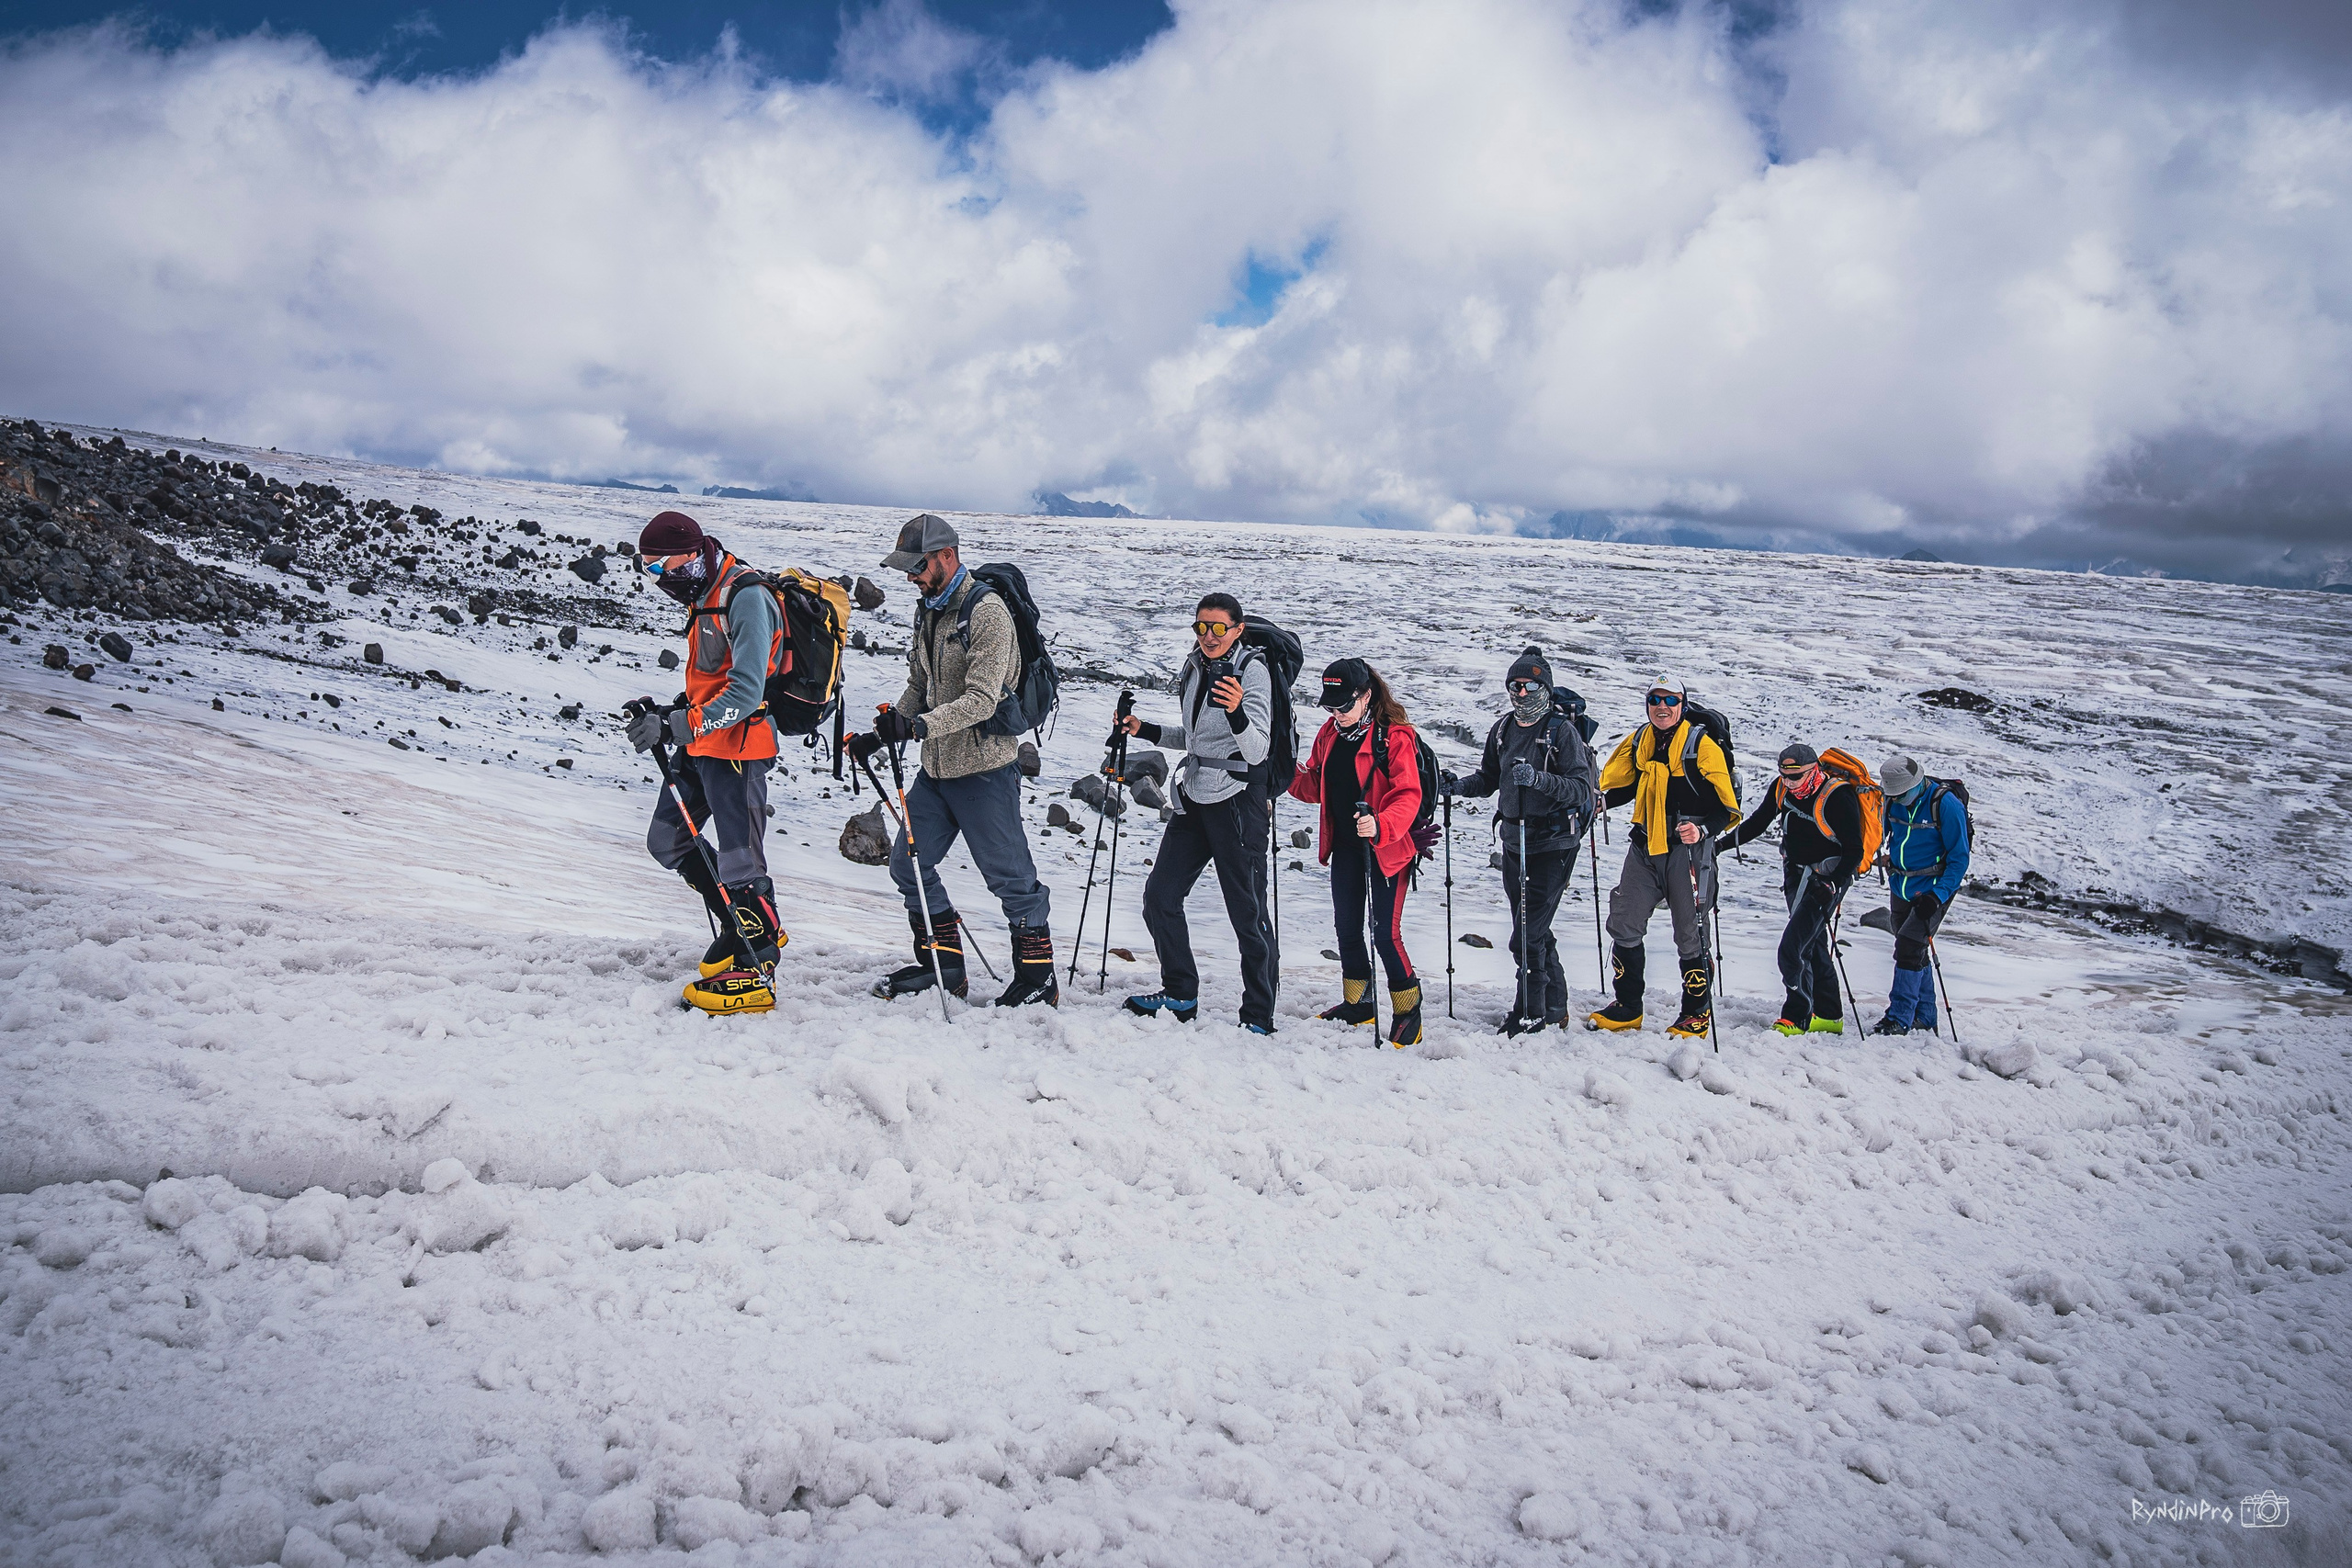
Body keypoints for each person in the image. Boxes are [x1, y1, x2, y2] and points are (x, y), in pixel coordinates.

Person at [849, 513, 1056, 1008]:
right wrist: (881, 734)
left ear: (947, 556)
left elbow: (983, 700)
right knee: (907, 866)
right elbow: (920, 687)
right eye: (907, 568)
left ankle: (1038, 979)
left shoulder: (986, 614)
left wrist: (916, 727)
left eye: (917, 566)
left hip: (985, 772)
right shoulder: (929, 611)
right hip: (936, 773)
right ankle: (944, 968)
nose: (910, 577)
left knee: (1010, 878)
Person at [624, 510, 787, 1015]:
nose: (657, 581)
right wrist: (668, 711)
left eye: (660, 568)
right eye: (649, 571)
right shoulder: (703, 594)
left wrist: (678, 725)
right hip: (700, 746)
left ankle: (757, 966)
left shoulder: (746, 597)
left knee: (742, 862)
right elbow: (710, 683)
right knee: (667, 840)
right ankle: (743, 926)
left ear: (690, 555)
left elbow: (746, 692)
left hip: (738, 752)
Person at [1114, 593, 1280, 1033]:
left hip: (1237, 801)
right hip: (1194, 798)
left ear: (1237, 630)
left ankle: (1259, 1015)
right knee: (1160, 898)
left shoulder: (1254, 672)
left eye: (1218, 628)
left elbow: (1258, 750)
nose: (1209, 636)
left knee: (1247, 912)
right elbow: (1193, 739)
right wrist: (1143, 729)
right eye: (1201, 627)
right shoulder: (1195, 667)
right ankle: (1181, 993)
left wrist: (1237, 710)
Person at [1442, 647, 1597, 1034]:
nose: (1521, 692)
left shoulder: (1561, 732)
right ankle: (1555, 1006)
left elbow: (1581, 788)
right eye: (1514, 685)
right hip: (1515, 842)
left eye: (1528, 685)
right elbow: (1489, 778)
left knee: (1525, 935)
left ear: (1544, 686)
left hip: (1553, 844)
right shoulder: (1503, 729)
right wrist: (1457, 787)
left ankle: (1529, 1013)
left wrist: (1538, 780)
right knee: (1534, 928)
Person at [1586, 676, 1738, 1039]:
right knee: (1624, 921)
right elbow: (1630, 784)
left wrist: (1702, 831)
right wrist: (1603, 801)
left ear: (1682, 705)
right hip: (1644, 845)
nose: (1662, 706)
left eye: (1670, 700)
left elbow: (1725, 804)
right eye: (1655, 699)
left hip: (1688, 850)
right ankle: (1627, 1008)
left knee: (1690, 932)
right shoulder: (1641, 741)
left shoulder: (1701, 746)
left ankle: (1696, 1013)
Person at [1289, 659, 1427, 1046]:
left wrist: (1381, 825)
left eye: (1343, 707)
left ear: (1365, 696)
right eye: (1329, 707)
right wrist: (1285, 774)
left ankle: (1408, 1012)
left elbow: (1407, 794)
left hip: (1387, 849)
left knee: (1385, 934)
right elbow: (1316, 785)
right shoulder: (1330, 733)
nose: (1336, 714)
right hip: (1347, 848)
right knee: (1348, 930)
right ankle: (1360, 1005)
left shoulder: (1395, 737)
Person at [1719, 743, 1863, 1035]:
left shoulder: (1838, 796)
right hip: (1795, 876)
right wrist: (1720, 845)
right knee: (1812, 943)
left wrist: (1832, 883)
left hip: (1827, 879)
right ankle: (1829, 1016)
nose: (1788, 782)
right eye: (1783, 775)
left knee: (1792, 948)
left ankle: (1796, 1016)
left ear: (1814, 770)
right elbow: (1758, 822)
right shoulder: (1782, 789)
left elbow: (1854, 850)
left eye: (1795, 777)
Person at [1873, 753, 1969, 1035]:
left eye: (1902, 794)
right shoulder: (1891, 800)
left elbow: (1959, 858)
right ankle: (1925, 1016)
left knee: (1907, 946)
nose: (1899, 799)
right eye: (1894, 795)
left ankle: (1899, 1017)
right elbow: (1881, 834)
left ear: (1916, 783)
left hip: (1933, 890)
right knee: (1914, 949)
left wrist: (1937, 896)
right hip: (1900, 885)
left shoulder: (1945, 805)